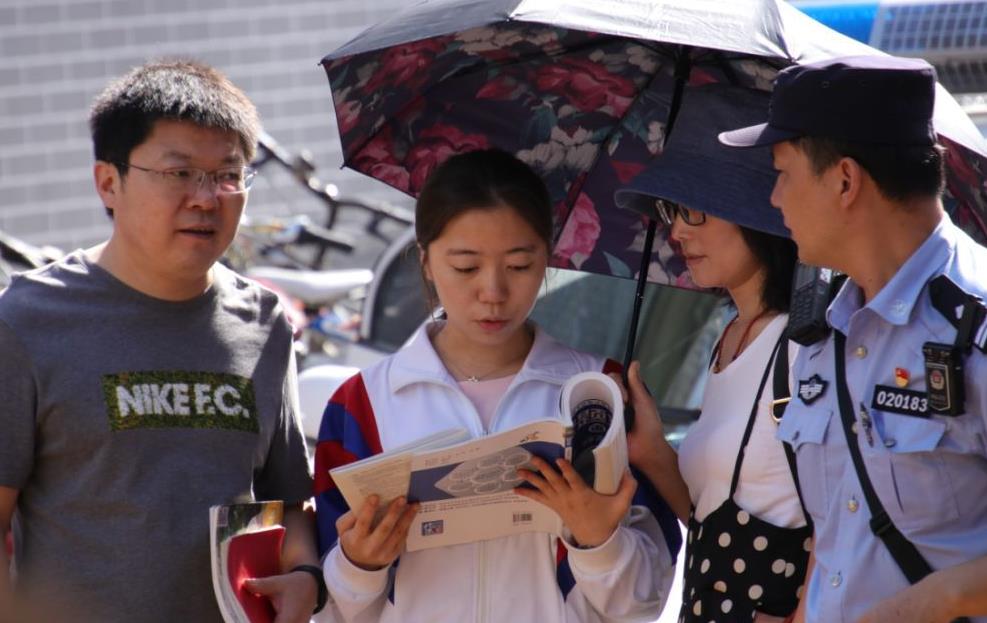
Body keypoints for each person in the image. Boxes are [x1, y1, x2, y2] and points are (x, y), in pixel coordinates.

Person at [0, 60, 323, 623]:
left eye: (228, 174)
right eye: (179, 173)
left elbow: (289, 504)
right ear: (109, 182)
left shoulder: (264, 323)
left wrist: (305, 577)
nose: (207, 198)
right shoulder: (27, 321)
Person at [312, 148, 679, 622]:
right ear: (425, 261)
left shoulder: (597, 394)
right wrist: (359, 566)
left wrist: (598, 540)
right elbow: (326, 606)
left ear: (547, 258)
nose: (493, 292)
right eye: (466, 267)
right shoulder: (360, 404)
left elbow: (645, 602)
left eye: (520, 266)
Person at [719, 55, 987, 623]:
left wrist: (933, 602)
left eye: (783, 172)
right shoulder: (823, 331)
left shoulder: (975, 320)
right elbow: (842, 537)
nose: (774, 198)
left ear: (845, 180)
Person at [614, 84, 810, 622]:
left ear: (757, 210)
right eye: (672, 209)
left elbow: (845, 519)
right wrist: (651, 450)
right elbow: (713, 523)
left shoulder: (807, 344)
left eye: (694, 209)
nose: (677, 230)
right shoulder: (728, 339)